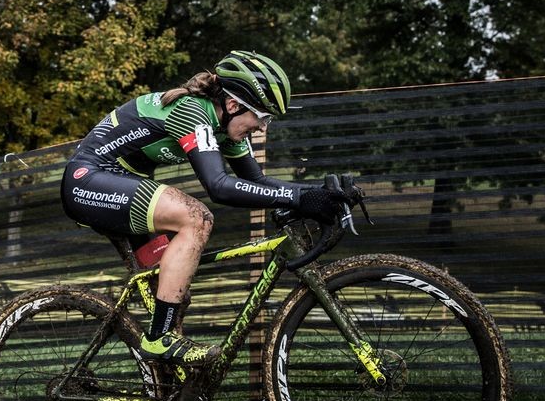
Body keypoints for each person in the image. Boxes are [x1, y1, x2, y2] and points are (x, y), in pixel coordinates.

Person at [60, 50, 346, 367]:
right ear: (235, 105)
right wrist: (298, 199)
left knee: (174, 295)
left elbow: (257, 181)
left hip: (121, 184)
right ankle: (158, 341)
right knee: (196, 217)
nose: (263, 128)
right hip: (89, 180)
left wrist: (318, 192)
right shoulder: (192, 111)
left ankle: (167, 398)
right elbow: (218, 186)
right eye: (262, 117)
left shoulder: (225, 125)